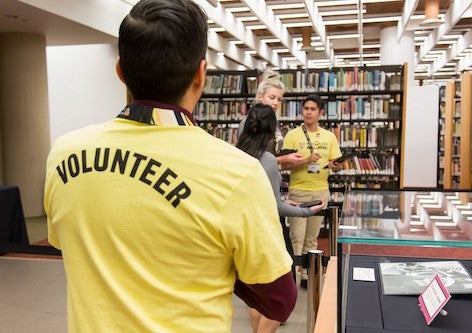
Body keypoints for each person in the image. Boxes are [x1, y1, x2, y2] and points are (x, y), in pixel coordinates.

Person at [43, 1, 296, 332]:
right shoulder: (237, 172)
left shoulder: (63, 154)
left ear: (120, 70)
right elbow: (280, 300)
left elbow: (66, 242)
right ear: (201, 74)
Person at [237, 103, 326, 333]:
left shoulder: (235, 153)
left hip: (238, 232)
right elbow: (275, 206)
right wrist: (307, 211)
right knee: (284, 298)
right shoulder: (267, 159)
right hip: (262, 233)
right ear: (271, 131)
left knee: (253, 293)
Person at [282, 94, 343, 289]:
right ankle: (291, 278)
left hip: (320, 192)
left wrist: (335, 166)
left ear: (321, 113)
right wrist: (307, 160)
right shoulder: (292, 135)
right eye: (305, 108)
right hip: (298, 191)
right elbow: (283, 165)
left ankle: (308, 277)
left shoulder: (329, 136)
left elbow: (336, 165)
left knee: (311, 238)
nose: (308, 112)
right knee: (296, 237)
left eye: (312, 109)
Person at [238, 69, 302, 169]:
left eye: (279, 99)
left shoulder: (274, 122)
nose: (276, 103)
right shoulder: (249, 122)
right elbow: (250, 158)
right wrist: (284, 159)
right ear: (260, 97)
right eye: (272, 98)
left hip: (273, 175)